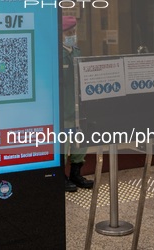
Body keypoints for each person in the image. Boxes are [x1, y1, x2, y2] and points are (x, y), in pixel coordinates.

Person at [62, 16, 94, 192]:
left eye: (73, 32)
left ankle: (76, 174)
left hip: (77, 109)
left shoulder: (76, 51)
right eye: (68, 32)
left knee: (79, 143)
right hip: (64, 108)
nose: (72, 35)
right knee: (63, 144)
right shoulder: (57, 54)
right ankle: (62, 176)